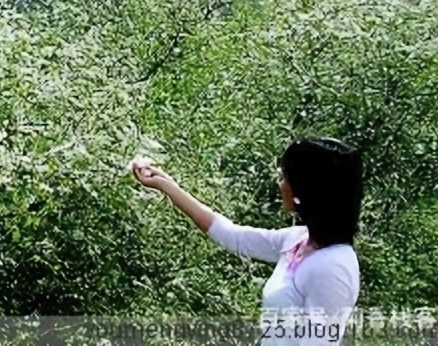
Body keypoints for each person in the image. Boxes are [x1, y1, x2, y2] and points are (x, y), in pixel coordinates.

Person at [129, 137, 364, 346]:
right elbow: (232, 235)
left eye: (285, 177)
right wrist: (166, 185)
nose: (280, 183)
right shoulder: (298, 241)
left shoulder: (334, 267)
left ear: (304, 190)